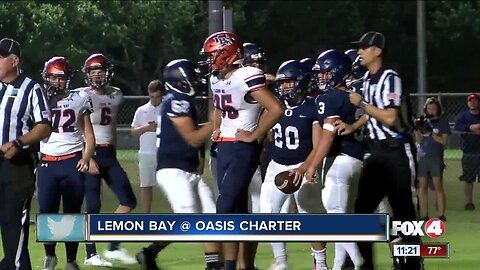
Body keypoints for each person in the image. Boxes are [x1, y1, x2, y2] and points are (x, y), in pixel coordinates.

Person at [201, 31, 284, 270]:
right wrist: (217, 128)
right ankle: (234, 266)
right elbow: (219, 105)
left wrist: (255, 135)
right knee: (237, 211)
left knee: (224, 205)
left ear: (227, 54)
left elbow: (275, 108)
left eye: (212, 55)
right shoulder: (215, 78)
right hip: (223, 147)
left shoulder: (246, 75)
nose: (209, 60)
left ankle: (225, 265)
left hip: (241, 148)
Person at [344, 31, 422, 270]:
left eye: (364, 47)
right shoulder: (367, 78)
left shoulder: (390, 77)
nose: (359, 51)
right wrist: (353, 126)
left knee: (404, 212)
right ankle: (364, 264)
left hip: (396, 150)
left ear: (377, 51)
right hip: (376, 153)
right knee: (363, 210)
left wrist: (362, 104)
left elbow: (389, 116)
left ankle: (411, 264)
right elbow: (370, 114)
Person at [136, 59, 218, 270]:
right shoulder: (176, 100)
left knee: (211, 217)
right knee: (187, 220)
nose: (197, 82)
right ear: (179, 81)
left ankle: (213, 265)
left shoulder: (182, 100)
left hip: (188, 169)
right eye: (191, 78)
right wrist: (214, 123)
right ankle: (149, 252)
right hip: (173, 170)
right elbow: (192, 138)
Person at [292, 50, 364, 270]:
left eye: (324, 73)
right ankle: (337, 265)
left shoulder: (328, 98)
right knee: (345, 216)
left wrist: (312, 165)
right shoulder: (354, 95)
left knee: (336, 221)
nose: (321, 77)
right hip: (359, 159)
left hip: (339, 162)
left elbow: (328, 135)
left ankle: (361, 261)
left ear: (337, 72)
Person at [260, 60, 327, 270]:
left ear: (301, 81)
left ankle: (321, 263)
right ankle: (280, 260)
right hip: (276, 166)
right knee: (268, 214)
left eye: (289, 81)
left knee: (309, 216)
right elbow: (268, 134)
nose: (284, 86)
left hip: (302, 166)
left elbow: (317, 146)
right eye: (282, 82)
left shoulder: (312, 107)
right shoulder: (275, 106)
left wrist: (304, 167)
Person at [79, 53, 137, 266]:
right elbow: (77, 129)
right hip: (90, 153)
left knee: (128, 201)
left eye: (100, 70)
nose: (97, 75)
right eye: (93, 71)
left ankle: (113, 245)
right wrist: (87, 155)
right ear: (87, 74)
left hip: (109, 154)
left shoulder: (116, 94)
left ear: (107, 72)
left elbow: (110, 124)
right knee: (93, 205)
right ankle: (90, 254)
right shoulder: (80, 96)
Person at [38, 56, 95, 270]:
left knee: (72, 213)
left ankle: (71, 260)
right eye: (53, 78)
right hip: (47, 162)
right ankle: (50, 256)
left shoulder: (80, 98)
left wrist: (87, 156)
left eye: (61, 78)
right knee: (47, 213)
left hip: (72, 161)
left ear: (68, 79)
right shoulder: (39, 97)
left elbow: (89, 134)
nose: (57, 82)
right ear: (46, 78)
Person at [0, 37, 51, 270]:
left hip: (17, 163)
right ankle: (14, 264)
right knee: (5, 219)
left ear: (14, 60)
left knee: (14, 220)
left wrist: (19, 143)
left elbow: (44, 125)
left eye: (0, 57)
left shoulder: (31, 88)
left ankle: (16, 265)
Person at [131, 80, 164, 213]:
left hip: (163, 153)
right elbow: (133, 131)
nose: (154, 100)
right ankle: (146, 215)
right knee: (146, 185)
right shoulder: (142, 110)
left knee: (169, 185)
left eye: (157, 97)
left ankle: (175, 215)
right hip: (146, 153)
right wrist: (146, 128)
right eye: (152, 97)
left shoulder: (168, 108)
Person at [414, 97, 450, 220]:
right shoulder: (423, 121)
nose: (431, 111)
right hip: (422, 158)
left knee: (438, 186)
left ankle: (441, 214)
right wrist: (416, 130)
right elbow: (419, 141)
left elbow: (443, 141)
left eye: (434, 108)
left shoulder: (442, 122)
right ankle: (424, 215)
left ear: (438, 109)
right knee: (421, 187)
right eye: (429, 108)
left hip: (435, 158)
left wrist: (431, 133)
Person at [454, 93, 480, 210]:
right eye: (470, 101)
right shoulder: (463, 116)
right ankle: (469, 203)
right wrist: (470, 128)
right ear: (467, 103)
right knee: (468, 179)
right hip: (469, 153)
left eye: (475, 100)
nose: (472, 102)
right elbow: (457, 126)